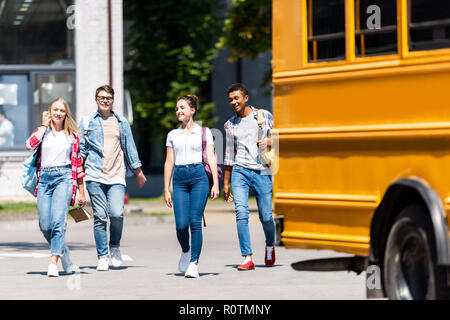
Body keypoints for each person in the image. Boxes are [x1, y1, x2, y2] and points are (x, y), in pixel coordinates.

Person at [79, 85, 147, 271]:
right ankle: (102, 256)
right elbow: (81, 152)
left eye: (108, 97)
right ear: (96, 99)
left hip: (117, 175)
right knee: (100, 217)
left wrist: (139, 172)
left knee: (116, 213)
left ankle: (114, 246)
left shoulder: (121, 122)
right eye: (101, 97)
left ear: (113, 100)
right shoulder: (86, 122)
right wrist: (77, 183)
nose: (105, 100)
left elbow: (130, 147)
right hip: (94, 175)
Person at [25, 98, 86, 277]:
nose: (58, 113)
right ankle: (63, 252)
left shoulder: (73, 136)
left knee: (59, 221)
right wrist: (43, 126)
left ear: (66, 113)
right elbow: (29, 145)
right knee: (45, 225)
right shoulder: (42, 132)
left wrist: (81, 192)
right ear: (49, 112)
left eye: (62, 110)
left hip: (64, 178)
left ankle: (53, 262)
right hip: (44, 179)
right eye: (55, 110)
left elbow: (78, 167)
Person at [164, 94, 220, 278]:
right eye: (177, 108)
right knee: (181, 225)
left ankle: (194, 263)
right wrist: (166, 189)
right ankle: (186, 251)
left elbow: (211, 158)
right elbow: (169, 162)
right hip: (179, 179)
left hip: (199, 178)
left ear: (192, 110)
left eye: (182, 108)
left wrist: (216, 185)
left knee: (195, 222)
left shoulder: (204, 132)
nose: (179, 111)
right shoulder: (172, 134)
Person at [223, 83, 276, 271]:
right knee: (241, 213)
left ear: (246, 98)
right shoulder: (230, 125)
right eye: (230, 99)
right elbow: (229, 155)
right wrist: (226, 183)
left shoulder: (263, 116)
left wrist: (268, 141)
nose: (233, 102)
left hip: (262, 171)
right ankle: (247, 257)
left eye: (236, 98)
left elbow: (280, 138)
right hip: (240, 171)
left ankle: (270, 245)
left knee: (267, 217)